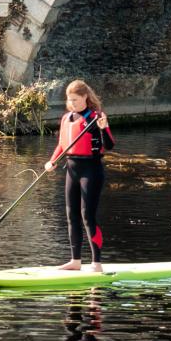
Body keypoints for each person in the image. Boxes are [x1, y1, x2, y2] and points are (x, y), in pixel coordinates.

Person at [45, 80, 115, 273]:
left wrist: (103, 128)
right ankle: (75, 261)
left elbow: (109, 145)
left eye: (75, 99)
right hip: (71, 169)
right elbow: (62, 144)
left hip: (91, 170)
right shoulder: (66, 118)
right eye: (69, 100)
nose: (72, 103)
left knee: (87, 216)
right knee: (71, 215)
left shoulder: (96, 118)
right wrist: (52, 161)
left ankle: (96, 264)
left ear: (85, 97)